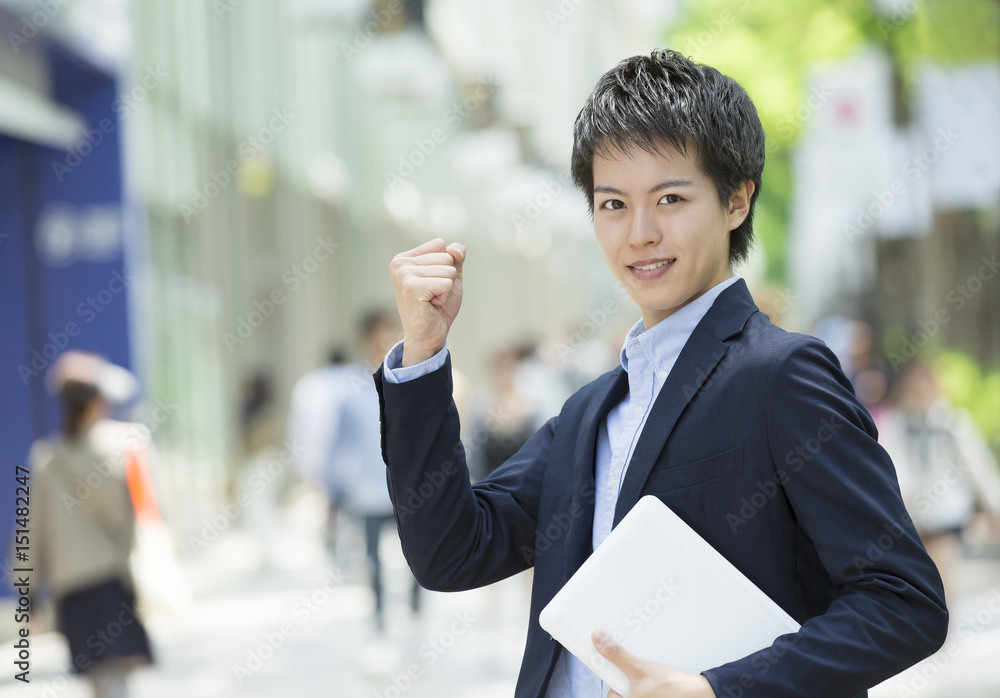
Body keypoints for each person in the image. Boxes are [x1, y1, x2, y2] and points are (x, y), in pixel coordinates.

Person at [373, 50, 948, 698]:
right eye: (613, 204)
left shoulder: (780, 375)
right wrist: (423, 354)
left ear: (737, 201)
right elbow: (451, 553)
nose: (640, 233)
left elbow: (903, 602)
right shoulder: (590, 413)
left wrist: (716, 689)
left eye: (670, 198)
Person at [30, 351, 154, 698]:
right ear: (96, 401)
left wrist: (28, 591)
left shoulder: (45, 456)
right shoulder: (123, 444)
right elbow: (141, 513)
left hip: (71, 590)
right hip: (110, 580)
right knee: (118, 678)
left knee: (98, 681)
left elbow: (30, 531)